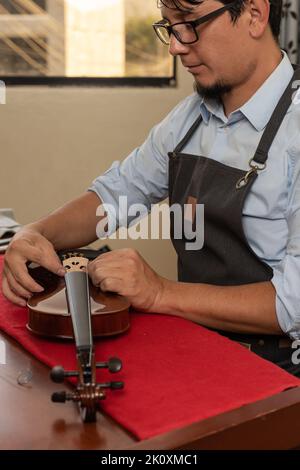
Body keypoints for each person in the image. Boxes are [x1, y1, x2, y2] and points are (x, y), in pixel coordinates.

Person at [2, 0, 300, 373]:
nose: (176, 45)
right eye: (169, 27)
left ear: (254, 14)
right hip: (201, 348)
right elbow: (116, 194)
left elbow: (294, 304)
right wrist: (35, 233)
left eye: (190, 23)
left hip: (281, 377)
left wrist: (159, 292)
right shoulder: (191, 118)